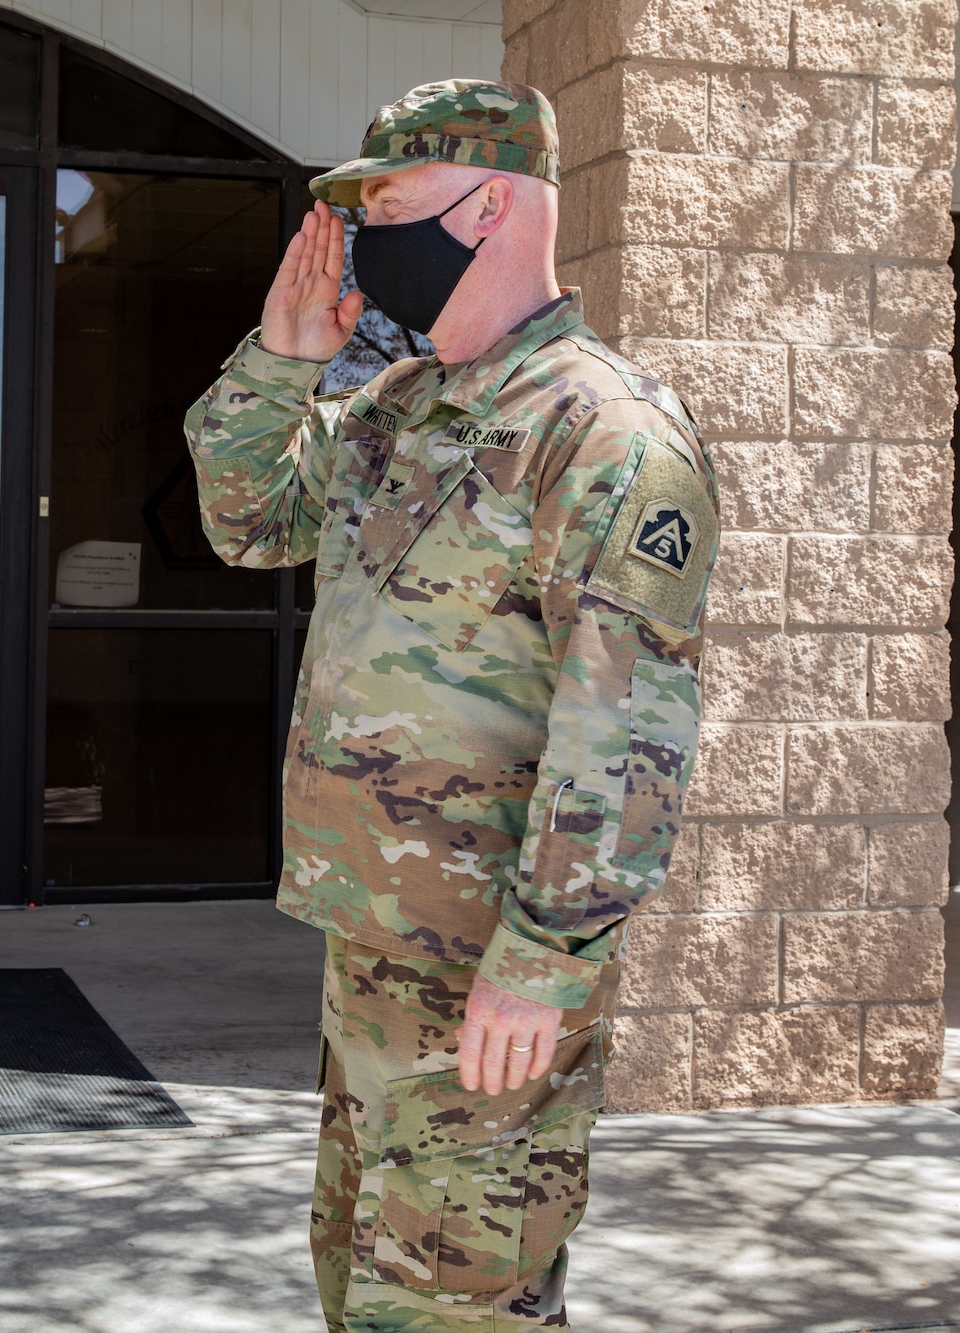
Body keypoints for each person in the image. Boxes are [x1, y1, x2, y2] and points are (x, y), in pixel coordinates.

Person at [184, 80, 720, 1331]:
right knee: (365, 1285)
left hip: (488, 961)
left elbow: (625, 731)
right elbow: (242, 520)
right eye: (356, 210)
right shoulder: (394, 408)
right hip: (369, 943)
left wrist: (539, 964)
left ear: (489, 208)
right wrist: (280, 359)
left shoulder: (602, 429)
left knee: (456, 1301)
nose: (363, 237)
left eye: (389, 205)